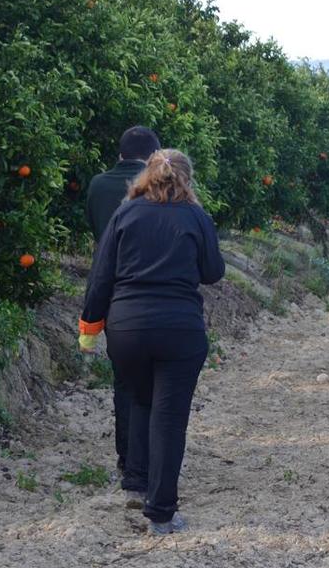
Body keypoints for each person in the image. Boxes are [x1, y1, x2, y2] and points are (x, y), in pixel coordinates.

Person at [78, 149, 225, 535]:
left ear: (146, 176)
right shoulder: (195, 216)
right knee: (169, 416)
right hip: (179, 329)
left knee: (139, 399)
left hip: (127, 330)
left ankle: (136, 481)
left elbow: (101, 275)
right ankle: (160, 512)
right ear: (186, 179)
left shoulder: (125, 213)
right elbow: (213, 272)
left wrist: (89, 326)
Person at [84, 126, 161, 484]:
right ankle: (147, 458)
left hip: (111, 289)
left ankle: (126, 456)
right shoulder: (160, 185)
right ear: (152, 158)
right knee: (155, 381)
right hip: (150, 287)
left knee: (124, 380)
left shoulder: (98, 185)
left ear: (119, 154)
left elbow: (93, 229)